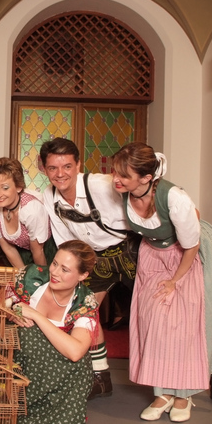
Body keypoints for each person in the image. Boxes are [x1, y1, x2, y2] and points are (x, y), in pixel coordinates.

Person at [110, 142, 212, 421]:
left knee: (186, 324)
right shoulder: (121, 190)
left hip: (188, 253)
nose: (116, 179)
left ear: (147, 178)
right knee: (155, 321)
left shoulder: (174, 198)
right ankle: (163, 393)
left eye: (124, 175)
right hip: (154, 254)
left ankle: (183, 395)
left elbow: (191, 245)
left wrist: (175, 281)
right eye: (115, 172)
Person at [39, 138, 133, 399]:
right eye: (53, 168)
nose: (60, 174)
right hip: (95, 260)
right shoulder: (50, 196)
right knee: (86, 310)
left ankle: (200, 375)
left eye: (67, 166)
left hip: (129, 252)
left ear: (79, 164)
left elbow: (142, 202)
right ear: (44, 169)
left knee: (156, 311)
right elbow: (63, 241)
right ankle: (101, 377)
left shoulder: (103, 185)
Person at [9, 240, 100, 424]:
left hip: (60, 370)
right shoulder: (32, 276)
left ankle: (51, 412)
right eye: (55, 263)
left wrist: (36, 316)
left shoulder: (85, 301)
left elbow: (75, 352)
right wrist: (11, 311)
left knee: (79, 361)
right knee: (25, 334)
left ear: (82, 275)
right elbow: (0, 298)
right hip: (23, 360)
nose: (55, 272)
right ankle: (16, 405)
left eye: (65, 270)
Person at [0, 157, 56, 268]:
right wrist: (23, 276)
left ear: (18, 187)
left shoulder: (32, 210)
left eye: (5, 188)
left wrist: (41, 280)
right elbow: (8, 248)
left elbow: (38, 251)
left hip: (47, 252)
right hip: (22, 253)